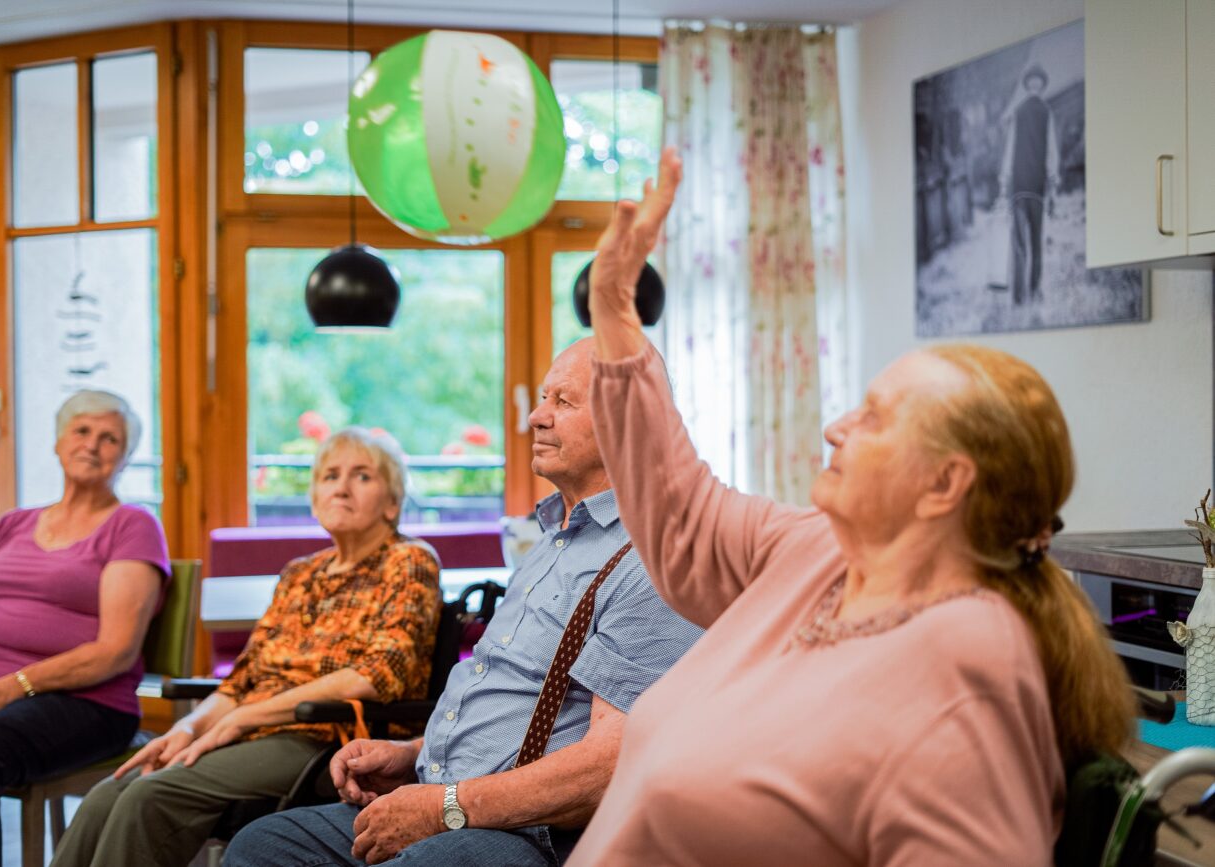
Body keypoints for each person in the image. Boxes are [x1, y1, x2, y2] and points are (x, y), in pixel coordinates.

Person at [567, 148, 1136, 865]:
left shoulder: (967, 663)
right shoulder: (821, 553)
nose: (837, 426)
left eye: (873, 416)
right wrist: (613, 308)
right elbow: (683, 515)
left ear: (944, 484)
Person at [224, 338, 704, 867]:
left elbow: (610, 766)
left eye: (562, 402)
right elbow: (511, 694)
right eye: (543, 398)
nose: (536, 417)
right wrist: (410, 759)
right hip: (447, 800)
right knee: (262, 847)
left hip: (529, 835)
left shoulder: (660, 558)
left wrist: (443, 807)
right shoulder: (553, 537)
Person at [52, 426, 442, 867]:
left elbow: (377, 673)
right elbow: (243, 680)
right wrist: (188, 728)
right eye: (330, 475)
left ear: (392, 502)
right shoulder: (299, 573)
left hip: (322, 737)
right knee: (108, 794)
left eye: (363, 476)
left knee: (151, 794)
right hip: (256, 730)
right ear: (314, 497)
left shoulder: (409, 560)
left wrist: (245, 718)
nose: (342, 487)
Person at [0, 389, 169, 867]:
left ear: (127, 456)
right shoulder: (13, 524)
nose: (93, 444)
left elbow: (114, 650)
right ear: (58, 443)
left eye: (109, 438)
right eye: (82, 431)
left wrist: (13, 687)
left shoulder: (132, 526)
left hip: (84, 704)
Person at [1000, 63, 1060, 305]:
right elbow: (1051, 154)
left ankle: (1018, 296)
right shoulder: (1046, 112)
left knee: (1019, 244)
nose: (1035, 84)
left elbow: (1009, 151)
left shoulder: (1019, 112)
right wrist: (1053, 184)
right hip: (1035, 187)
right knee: (1035, 241)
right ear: (1039, 85)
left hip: (1019, 186)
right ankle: (1033, 291)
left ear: (1030, 85)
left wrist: (1004, 183)